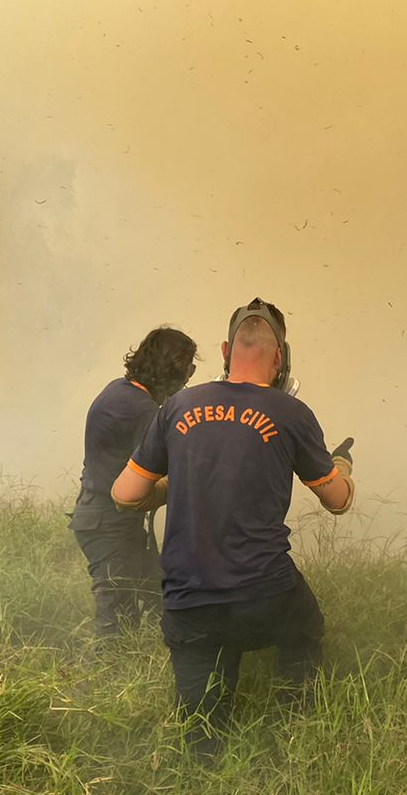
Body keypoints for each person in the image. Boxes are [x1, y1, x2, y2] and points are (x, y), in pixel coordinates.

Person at [111, 298, 354, 753]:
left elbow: (125, 495)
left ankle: (203, 769)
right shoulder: (291, 413)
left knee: (200, 726)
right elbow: (337, 501)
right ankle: (290, 730)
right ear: (280, 357)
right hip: (264, 596)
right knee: (305, 632)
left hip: (188, 599)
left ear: (226, 350)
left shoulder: (179, 406)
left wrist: (170, 486)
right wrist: (340, 464)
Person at [70, 325, 197, 636]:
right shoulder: (142, 411)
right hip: (109, 525)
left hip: (102, 519)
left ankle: (140, 662)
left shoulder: (118, 390)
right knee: (115, 625)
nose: (190, 378)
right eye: (188, 368)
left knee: (154, 595)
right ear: (173, 369)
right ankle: (107, 676)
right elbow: (172, 466)